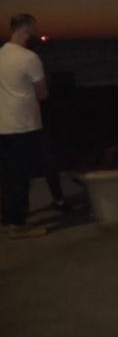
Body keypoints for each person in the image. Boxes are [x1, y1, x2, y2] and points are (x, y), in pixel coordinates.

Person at [0, 14, 49, 239]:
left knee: (9, 174)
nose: (37, 31)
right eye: (34, 27)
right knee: (21, 175)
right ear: (26, 29)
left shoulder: (1, 54)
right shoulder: (29, 57)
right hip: (23, 125)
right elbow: (42, 92)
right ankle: (17, 225)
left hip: (3, 124)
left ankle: (8, 217)